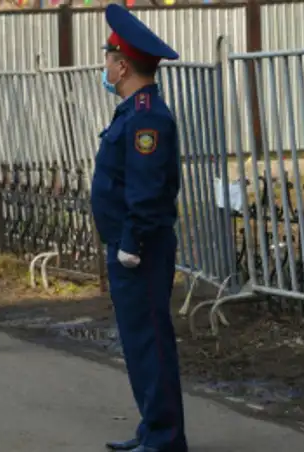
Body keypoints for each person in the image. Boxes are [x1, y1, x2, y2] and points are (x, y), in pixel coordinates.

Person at [89, 5, 188, 452]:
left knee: (149, 340)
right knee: (139, 341)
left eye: (109, 58)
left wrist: (131, 243)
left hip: (140, 248)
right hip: (129, 245)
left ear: (123, 64)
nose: (105, 66)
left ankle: (165, 437)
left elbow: (146, 193)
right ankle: (152, 429)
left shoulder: (146, 117)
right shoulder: (133, 111)